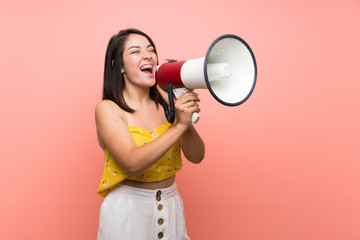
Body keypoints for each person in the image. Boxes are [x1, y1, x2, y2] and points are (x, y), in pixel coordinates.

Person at [95, 28, 205, 240]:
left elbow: (197, 156)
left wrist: (181, 113)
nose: (147, 55)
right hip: (127, 213)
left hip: (172, 206)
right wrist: (179, 126)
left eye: (151, 49)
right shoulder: (108, 109)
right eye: (135, 51)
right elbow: (131, 162)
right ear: (118, 66)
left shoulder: (166, 106)